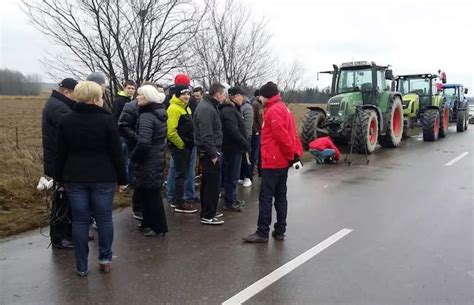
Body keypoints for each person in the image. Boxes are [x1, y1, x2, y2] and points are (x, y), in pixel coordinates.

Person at [55, 81, 127, 276]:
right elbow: (116, 152)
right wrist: (122, 179)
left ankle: (81, 266)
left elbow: (60, 153)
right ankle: (105, 258)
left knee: (80, 221)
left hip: (74, 177)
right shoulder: (106, 120)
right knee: (104, 219)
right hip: (103, 176)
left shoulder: (66, 120)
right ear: (96, 99)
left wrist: (59, 178)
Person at [243, 82, 302, 243]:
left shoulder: (273, 111)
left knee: (266, 198)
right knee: (281, 196)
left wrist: (292, 155)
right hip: (281, 161)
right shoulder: (283, 108)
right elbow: (293, 133)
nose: (259, 98)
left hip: (273, 161)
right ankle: (280, 230)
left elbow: (282, 137)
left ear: (266, 95)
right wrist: (295, 155)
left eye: (261, 95)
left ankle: (263, 232)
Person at [42, 77, 78, 249]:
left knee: (65, 198)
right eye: (75, 94)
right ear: (67, 92)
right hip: (60, 162)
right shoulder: (60, 109)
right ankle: (59, 237)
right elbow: (69, 136)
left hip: (58, 160)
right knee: (62, 200)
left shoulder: (59, 104)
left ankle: (67, 233)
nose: (77, 98)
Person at [131, 85, 169, 237]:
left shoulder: (147, 116)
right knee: (147, 191)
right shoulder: (159, 113)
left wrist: (134, 156)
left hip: (148, 159)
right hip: (157, 156)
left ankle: (159, 226)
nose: (137, 98)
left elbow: (144, 142)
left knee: (151, 193)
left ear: (147, 98)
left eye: (140, 95)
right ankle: (147, 221)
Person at [194, 83, 226, 225]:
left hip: (212, 149)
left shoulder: (210, 106)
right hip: (210, 151)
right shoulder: (206, 108)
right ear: (217, 94)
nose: (224, 97)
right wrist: (213, 154)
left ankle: (209, 211)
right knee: (211, 185)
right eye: (223, 94)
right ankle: (207, 215)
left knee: (210, 184)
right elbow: (206, 135)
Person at [165, 74, 199, 207]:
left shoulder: (186, 107)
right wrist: (181, 144)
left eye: (188, 94)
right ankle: (177, 198)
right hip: (181, 146)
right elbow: (171, 131)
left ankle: (181, 196)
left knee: (183, 171)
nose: (187, 96)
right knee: (179, 172)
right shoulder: (174, 108)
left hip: (188, 145)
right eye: (183, 93)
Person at [220, 87, 250, 212]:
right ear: (234, 96)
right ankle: (229, 201)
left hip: (236, 147)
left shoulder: (233, 109)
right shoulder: (228, 111)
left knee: (234, 175)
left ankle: (233, 198)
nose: (242, 98)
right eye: (240, 95)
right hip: (231, 147)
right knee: (231, 175)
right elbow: (233, 130)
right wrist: (244, 142)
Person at [117, 87, 142, 220]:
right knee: (134, 173)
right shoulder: (130, 106)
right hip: (133, 144)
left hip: (146, 147)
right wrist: (136, 137)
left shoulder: (150, 107)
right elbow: (122, 124)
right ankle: (137, 208)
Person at [112, 80, 136, 188]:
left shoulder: (132, 101)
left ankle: (131, 180)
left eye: (133, 88)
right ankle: (123, 182)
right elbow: (116, 117)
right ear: (124, 88)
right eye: (129, 88)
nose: (131, 90)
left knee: (130, 159)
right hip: (122, 134)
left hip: (130, 134)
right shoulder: (119, 101)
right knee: (124, 159)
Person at [238, 94, 254, 188]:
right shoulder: (238, 106)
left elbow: (248, 124)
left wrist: (246, 137)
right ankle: (241, 176)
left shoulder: (247, 107)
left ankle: (248, 177)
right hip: (239, 137)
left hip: (246, 137)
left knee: (247, 158)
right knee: (241, 158)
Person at [250, 90, 263, 179]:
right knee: (254, 154)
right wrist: (256, 130)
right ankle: (250, 174)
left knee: (261, 153)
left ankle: (261, 172)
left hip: (262, 132)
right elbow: (253, 119)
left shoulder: (262, 105)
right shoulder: (255, 104)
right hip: (256, 132)